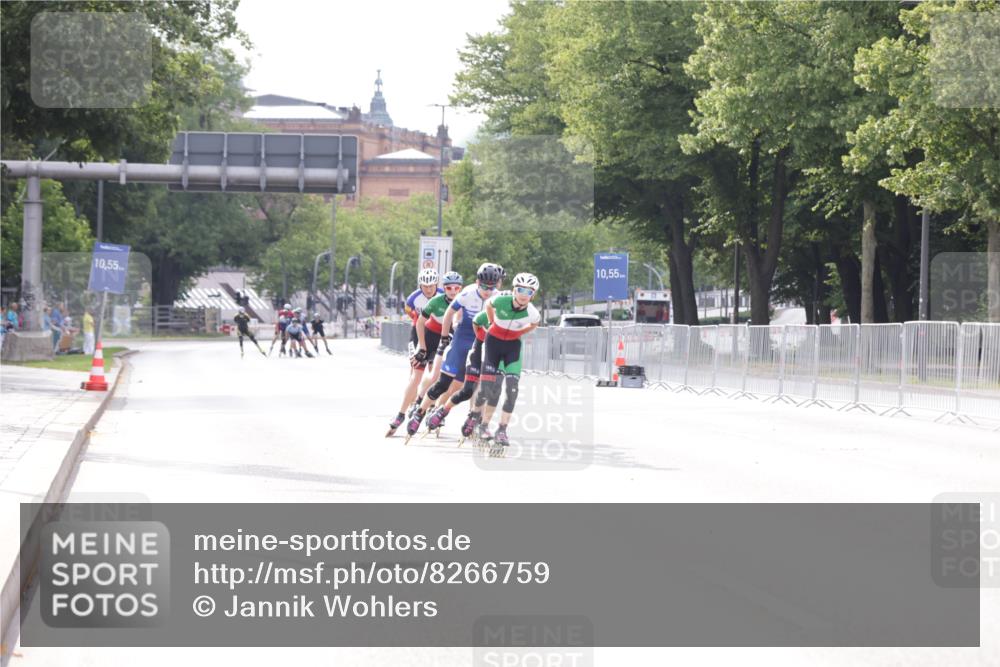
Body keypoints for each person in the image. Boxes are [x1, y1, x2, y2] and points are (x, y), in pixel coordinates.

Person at [406, 263, 503, 437]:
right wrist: (444, 337)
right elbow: (450, 313)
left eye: (491, 287)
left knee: (478, 384)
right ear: (477, 282)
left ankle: (473, 418)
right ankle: (419, 412)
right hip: (462, 339)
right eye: (483, 286)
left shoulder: (499, 297)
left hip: (481, 342)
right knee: (443, 383)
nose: (487, 291)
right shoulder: (467, 293)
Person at [474, 272, 541, 448]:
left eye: (528, 292)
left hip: (512, 348)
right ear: (513, 290)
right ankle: (481, 424)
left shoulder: (532, 312)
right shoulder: (502, 300)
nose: (523, 295)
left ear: (532, 295)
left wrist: (520, 332)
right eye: (520, 290)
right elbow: (488, 305)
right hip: (493, 344)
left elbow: (534, 324)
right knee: (490, 389)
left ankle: (502, 430)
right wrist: (490, 323)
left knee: (512, 390)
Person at [385, 269, 442, 436]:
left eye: (431, 286)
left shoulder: (443, 295)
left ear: (436, 285)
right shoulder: (413, 298)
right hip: (418, 334)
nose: (429, 289)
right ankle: (402, 412)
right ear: (420, 285)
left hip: (438, 336)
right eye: (425, 286)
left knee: (436, 374)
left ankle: (428, 403)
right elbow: (411, 313)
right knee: (415, 375)